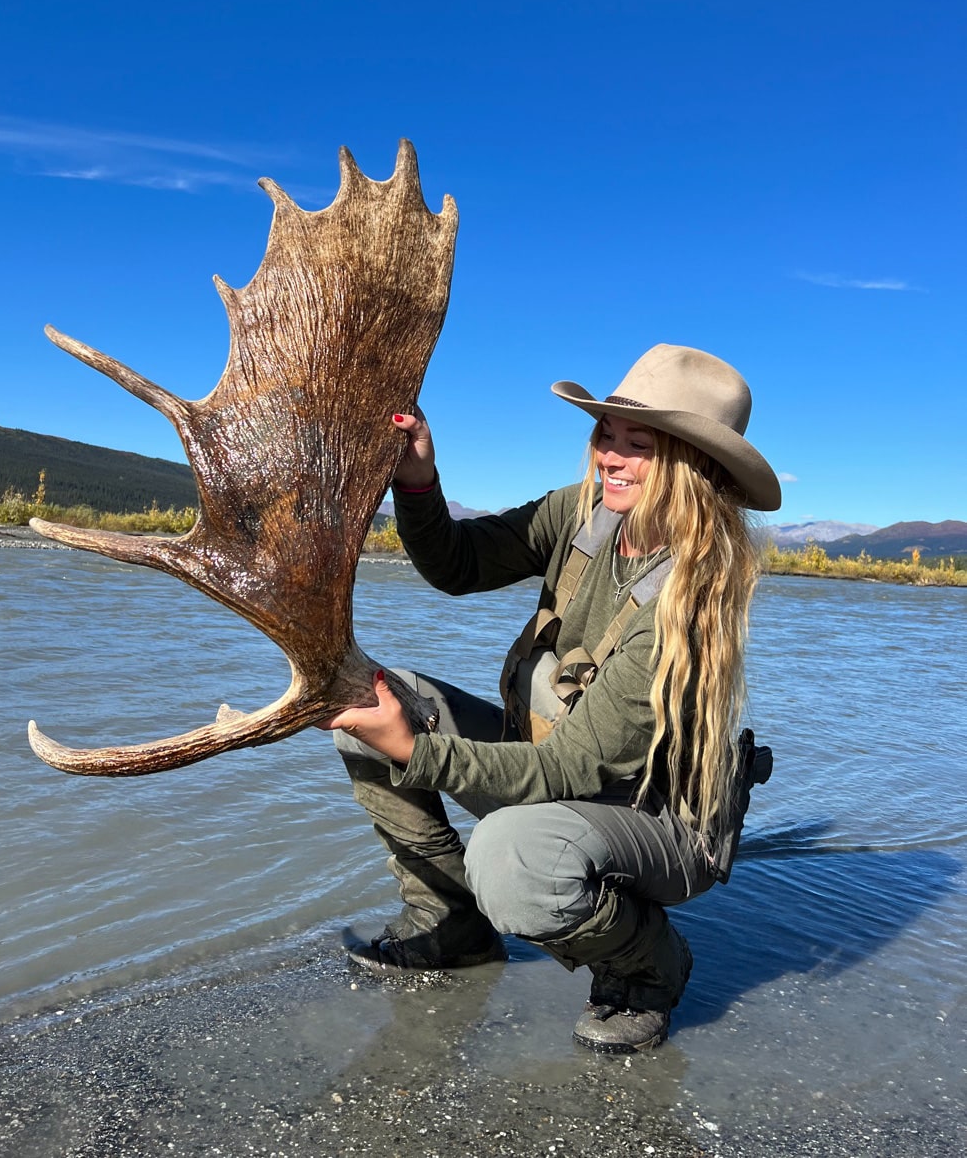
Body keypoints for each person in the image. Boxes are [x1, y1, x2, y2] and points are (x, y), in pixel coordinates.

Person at [322, 343, 781, 1054]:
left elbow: (564, 772)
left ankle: (648, 966)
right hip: (555, 773)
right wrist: (416, 480)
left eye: (642, 445)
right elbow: (457, 562)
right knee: (364, 703)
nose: (611, 457)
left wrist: (414, 751)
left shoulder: (686, 606)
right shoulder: (581, 514)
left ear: (695, 469)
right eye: (607, 435)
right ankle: (452, 923)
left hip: (659, 822)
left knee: (511, 858)